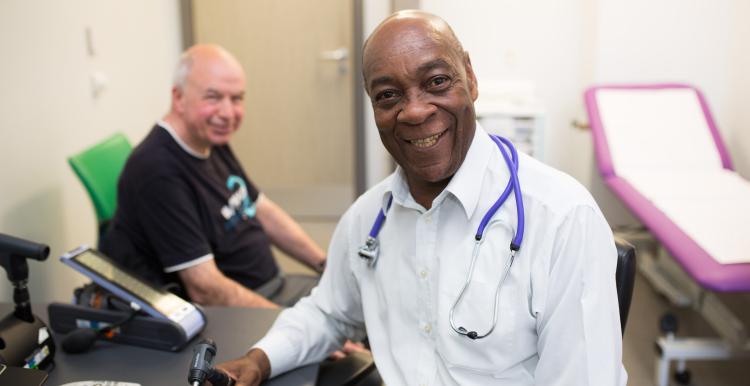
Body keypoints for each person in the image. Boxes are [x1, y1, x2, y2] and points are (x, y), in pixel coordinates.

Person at [215, 10, 627, 385]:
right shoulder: (368, 219)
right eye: (388, 95)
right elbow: (328, 312)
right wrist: (259, 360)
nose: (413, 111)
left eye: (436, 82)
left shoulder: (561, 218)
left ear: (471, 77)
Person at [100, 44, 326, 309]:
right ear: (179, 97)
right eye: (213, 97)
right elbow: (206, 289)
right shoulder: (156, 171)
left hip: (274, 288)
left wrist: (326, 266)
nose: (228, 113)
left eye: (237, 98)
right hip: (241, 314)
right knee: (365, 324)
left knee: (365, 301)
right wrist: (299, 330)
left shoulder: (208, 137)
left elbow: (262, 209)